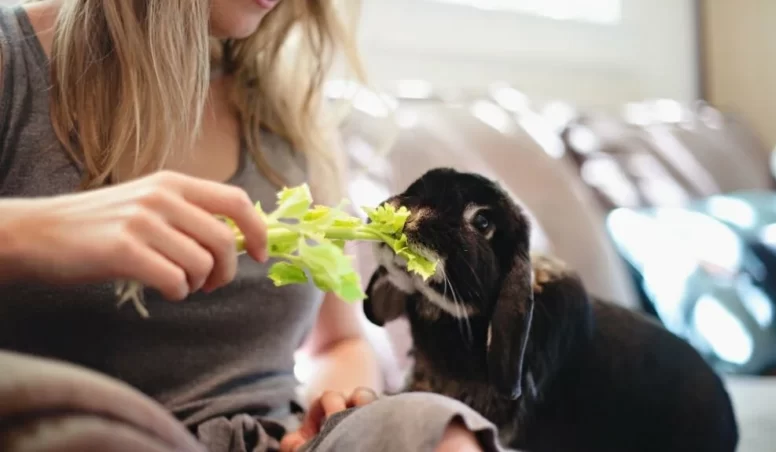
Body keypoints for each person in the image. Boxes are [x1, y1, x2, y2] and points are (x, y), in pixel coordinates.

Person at [0, 1, 506, 451]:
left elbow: (338, 343)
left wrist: (337, 406)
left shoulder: (288, 117)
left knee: (439, 432)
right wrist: (32, 231)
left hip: (274, 439)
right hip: (89, 432)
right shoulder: (11, 62)